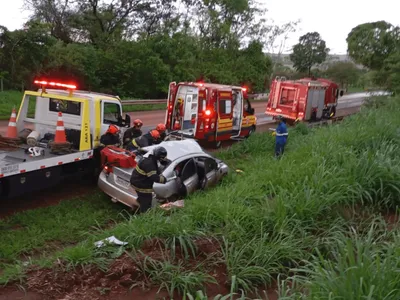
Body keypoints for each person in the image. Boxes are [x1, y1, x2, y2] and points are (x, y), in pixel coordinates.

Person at [130, 146, 173, 213]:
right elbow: (154, 177)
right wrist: (164, 180)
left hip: (136, 181)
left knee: (142, 198)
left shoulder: (148, 159)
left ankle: (138, 204)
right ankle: (143, 217)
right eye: (162, 158)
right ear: (159, 157)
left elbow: (154, 170)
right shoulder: (150, 165)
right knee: (147, 202)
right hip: (141, 186)